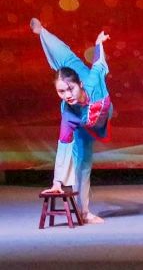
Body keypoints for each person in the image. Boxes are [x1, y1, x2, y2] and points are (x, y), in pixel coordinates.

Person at [32, 18, 112, 224]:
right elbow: (64, 145)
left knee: (70, 60)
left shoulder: (93, 82)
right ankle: (84, 212)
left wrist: (98, 43)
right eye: (61, 92)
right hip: (83, 123)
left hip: (101, 109)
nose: (67, 95)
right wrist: (57, 182)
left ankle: (44, 33)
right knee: (82, 163)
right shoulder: (68, 112)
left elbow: (99, 62)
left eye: (70, 89)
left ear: (80, 85)